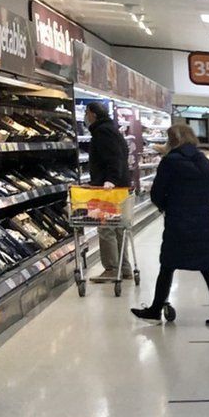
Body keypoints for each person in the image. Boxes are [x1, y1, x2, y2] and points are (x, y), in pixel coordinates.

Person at [131, 124, 209, 327]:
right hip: (203, 220)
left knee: (168, 265)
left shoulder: (169, 161)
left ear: (172, 140)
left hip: (178, 221)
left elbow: (158, 193)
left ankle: (155, 310)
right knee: (207, 267)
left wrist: (167, 206)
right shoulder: (204, 161)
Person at [84, 102, 132, 282]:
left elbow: (114, 157)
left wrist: (109, 181)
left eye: (87, 113)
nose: (86, 117)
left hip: (109, 189)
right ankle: (124, 268)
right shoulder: (110, 129)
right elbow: (121, 154)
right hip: (118, 187)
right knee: (119, 228)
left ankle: (112, 268)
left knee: (106, 229)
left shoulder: (102, 131)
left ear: (93, 114)